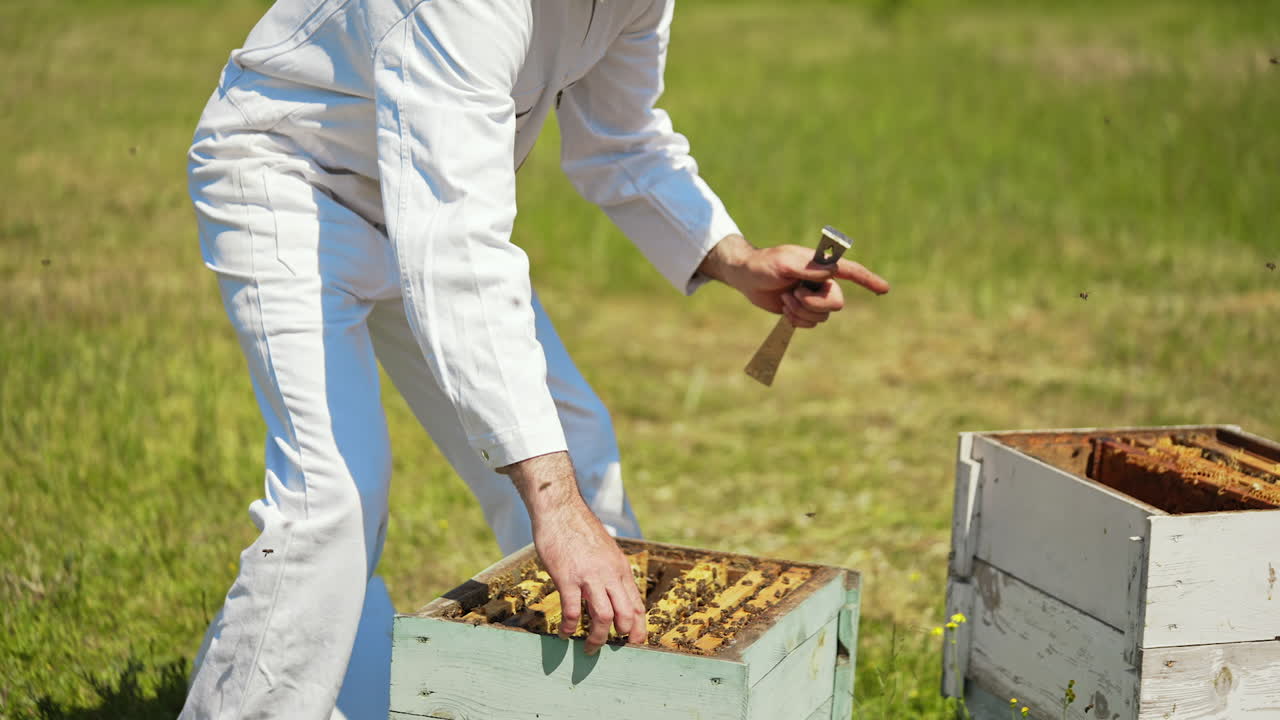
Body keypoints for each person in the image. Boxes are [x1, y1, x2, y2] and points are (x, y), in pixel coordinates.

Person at [182, 0, 890, 717]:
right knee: (333, 502)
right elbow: (455, 251)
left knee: (581, 452)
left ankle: (604, 702)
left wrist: (736, 258)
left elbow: (622, 140)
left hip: (423, 200)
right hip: (293, 179)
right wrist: (553, 505)